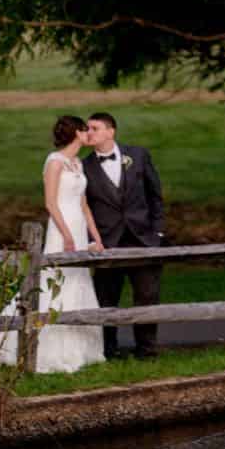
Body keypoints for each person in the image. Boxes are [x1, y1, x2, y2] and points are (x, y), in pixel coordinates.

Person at [0, 115, 106, 374]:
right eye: (85, 129)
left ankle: (83, 347)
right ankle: (49, 345)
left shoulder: (77, 163)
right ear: (76, 133)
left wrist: (95, 236)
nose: (89, 133)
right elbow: (50, 203)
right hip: (61, 227)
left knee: (78, 279)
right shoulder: (54, 162)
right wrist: (66, 235)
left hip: (78, 225)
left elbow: (84, 204)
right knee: (57, 279)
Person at [83, 111, 165, 361]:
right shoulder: (83, 166)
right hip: (107, 243)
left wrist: (158, 231)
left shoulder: (138, 156)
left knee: (147, 297)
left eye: (94, 128)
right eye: (88, 128)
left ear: (111, 131)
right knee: (106, 299)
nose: (89, 132)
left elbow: (155, 194)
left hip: (144, 240)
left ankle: (147, 351)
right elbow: (83, 207)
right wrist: (91, 239)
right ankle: (108, 351)